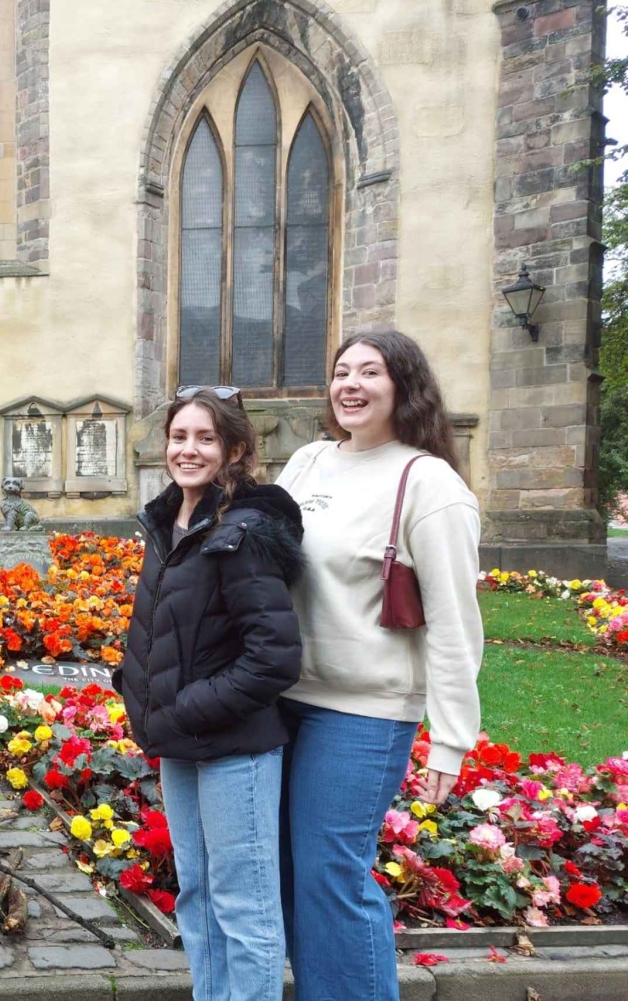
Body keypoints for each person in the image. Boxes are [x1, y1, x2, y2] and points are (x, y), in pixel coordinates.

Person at [275, 331, 483, 1001]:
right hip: (279, 699)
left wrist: (449, 740)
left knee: (330, 874)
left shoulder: (427, 481)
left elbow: (455, 620)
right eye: (342, 371)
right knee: (288, 874)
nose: (352, 384)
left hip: (362, 712)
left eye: (371, 371)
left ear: (404, 386)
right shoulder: (308, 461)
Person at [115, 387, 304, 1001]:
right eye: (179, 437)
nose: (187, 450)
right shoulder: (169, 521)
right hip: (180, 743)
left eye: (205, 438)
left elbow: (273, 658)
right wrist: (135, 692)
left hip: (233, 750)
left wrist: (185, 709)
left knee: (243, 906)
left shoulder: (242, 532)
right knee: (195, 894)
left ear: (235, 450)